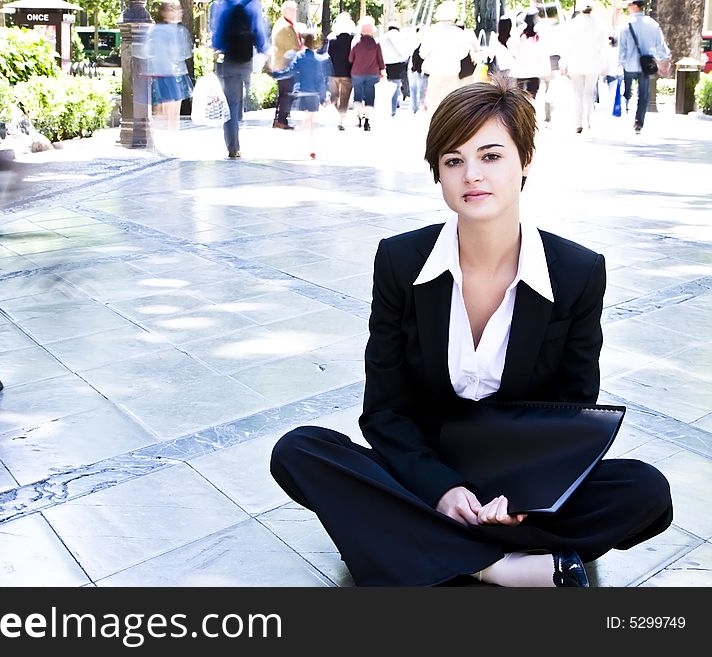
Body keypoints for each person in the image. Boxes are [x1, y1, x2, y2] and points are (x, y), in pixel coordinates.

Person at [269, 73, 673, 587]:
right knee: (300, 450)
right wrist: (443, 488)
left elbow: (569, 413)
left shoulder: (576, 272)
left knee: (646, 493)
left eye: (490, 156)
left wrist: (524, 498)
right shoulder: (400, 260)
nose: (471, 176)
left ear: (525, 161)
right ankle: (498, 566)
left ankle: (413, 541)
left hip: (522, 476)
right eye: (453, 161)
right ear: (437, 173)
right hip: (427, 469)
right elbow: (385, 412)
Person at [211, 0, 270, 159]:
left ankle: (233, 146)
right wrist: (266, 51)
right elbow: (258, 32)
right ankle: (239, 123)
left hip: (228, 60)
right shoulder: (253, 5)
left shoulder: (221, 4)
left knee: (231, 104)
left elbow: (216, 37)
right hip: (245, 60)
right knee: (239, 103)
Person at [266, 31, 330, 159]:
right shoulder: (317, 60)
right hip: (313, 94)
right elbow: (320, 80)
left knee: (302, 121)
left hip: (300, 92)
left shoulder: (299, 57)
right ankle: (311, 148)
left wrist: (274, 74)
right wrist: (323, 98)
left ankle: (302, 147)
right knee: (310, 123)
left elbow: (289, 71)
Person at [618, 0, 671, 134]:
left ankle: (625, 111)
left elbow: (621, 47)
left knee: (626, 91)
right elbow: (660, 44)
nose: (628, 8)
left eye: (630, 5)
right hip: (645, 65)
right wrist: (665, 59)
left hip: (629, 65)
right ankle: (639, 122)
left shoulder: (626, 25)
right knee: (643, 95)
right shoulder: (652, 24)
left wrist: (620, 63)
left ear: (636, 6)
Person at [419, 0, 475, 116]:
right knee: (450, 99)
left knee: (433, 101)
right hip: (452, 70)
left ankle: (432, 122)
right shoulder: (458, 32)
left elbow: (423, 53)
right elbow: (463, 53)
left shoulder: (431, 31)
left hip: (435, 70)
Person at [146, 1, 194, 132]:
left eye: (178, 9)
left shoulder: (155, 30)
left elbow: (147, 51)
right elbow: (185, 53)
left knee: (163, 109)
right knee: (172, 109)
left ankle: (163, 136)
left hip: (160, 72)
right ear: (164, 13)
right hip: (173, 73)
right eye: (173, 9)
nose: (178, 12)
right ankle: (170, 136)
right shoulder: (178, 31)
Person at [561, 1, 607, 133]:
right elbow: (603, 47)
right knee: (589, 93)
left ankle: (578, 123)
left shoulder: (572, 24)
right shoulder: (598, 24)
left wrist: (564, 64)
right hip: (593, 64)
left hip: (575, 64)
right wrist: (603, 65)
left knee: (577, 94)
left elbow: (566, 46)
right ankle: (588, 120)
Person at [349, 17, 386, 132]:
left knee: (357, 96)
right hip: (372, 74)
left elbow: (350, 59)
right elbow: (380, 60)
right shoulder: (376, 43)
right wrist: (383, 72)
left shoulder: (356, 42)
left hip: (357, 73)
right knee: (370, 98)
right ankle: (367, 121)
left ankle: (358, 117)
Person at [270, 0, 302, 130]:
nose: (294, 13)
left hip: (283, 65)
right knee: (287, 93)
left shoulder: (285, 24)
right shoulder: (284, 26)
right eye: (292, 10)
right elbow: (292, 46)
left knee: (284, 93)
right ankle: (281, 120)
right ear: (285, 11)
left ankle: (280, 118)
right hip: (285, 65)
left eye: (295, 10)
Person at [326, 12, 356, 130]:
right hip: (347, 74)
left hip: (333, 73)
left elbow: (328, 56)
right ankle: (341, 120)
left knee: (334, 98)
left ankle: (338, 112)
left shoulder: (332, 40)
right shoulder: (353, 40)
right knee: (345, 99)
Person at [379, 21, 411, 116]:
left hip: (385, 65)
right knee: (395, 87)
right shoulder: (401, 37)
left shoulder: (383, 37)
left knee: (385, 87)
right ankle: (393, 109)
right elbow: (406, 51)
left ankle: (386, 108)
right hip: (398, 65)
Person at [407, 25, 429, 113]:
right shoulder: (413, 42)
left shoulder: (425, 43)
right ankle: (416, 106)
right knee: (416, 88)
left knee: (418, 88)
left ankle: (418, 106)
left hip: (420, 69)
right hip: (416, 69)